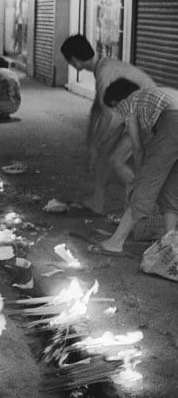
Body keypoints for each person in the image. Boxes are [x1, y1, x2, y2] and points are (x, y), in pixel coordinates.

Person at [60, 34, 155, 214]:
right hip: (137, 112)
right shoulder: (104, 66)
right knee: (106, 152)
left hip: (147, 116)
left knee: (115, 159)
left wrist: (94, 146)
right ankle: (98, 202)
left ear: (74, 60)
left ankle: (147, 205)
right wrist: (91, 143)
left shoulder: (104, 73)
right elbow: (96, 108)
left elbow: (107, 116)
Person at [95, 79, 178, 256]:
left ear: (118, 102)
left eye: (116, 109)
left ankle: (115, 242)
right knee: (171, 190)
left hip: (174, 122)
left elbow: (138, 147)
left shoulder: (130, 104)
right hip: (173, 121)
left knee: (145, 189)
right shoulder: (152, 94)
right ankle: (170, 248)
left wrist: (141, 179)